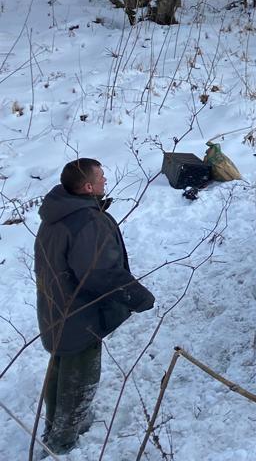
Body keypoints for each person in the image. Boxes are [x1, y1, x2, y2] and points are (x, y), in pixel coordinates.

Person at [34, 158, 155, 454]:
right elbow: (100, 273)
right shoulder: (86, 221)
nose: (105, 180)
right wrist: (137, 297)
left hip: (54, 304)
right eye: (101, 177)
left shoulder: (57, 212)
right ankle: (62, 441)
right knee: (80, 375)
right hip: (78, 313)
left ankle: (55, 424)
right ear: (88, 186)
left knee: (61, 363)